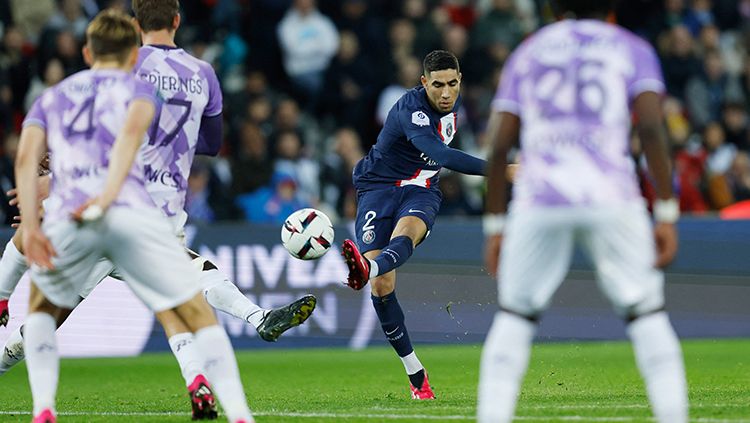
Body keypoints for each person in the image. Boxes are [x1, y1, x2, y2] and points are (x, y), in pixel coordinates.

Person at [0, 1, 317, 418]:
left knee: (49, 314)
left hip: (95, 211)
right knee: (184, 295)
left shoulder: (115, 75)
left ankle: (43, 402)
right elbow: (208, 142)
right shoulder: (201, 73)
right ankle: (235, 378)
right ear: (177, 20)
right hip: (151, 209)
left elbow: (93, 140)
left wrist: (54, 184)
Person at [476, 1, 689, 422]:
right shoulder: (632, 48)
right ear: (611, 8)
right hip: (611, 195)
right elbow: (649, 127)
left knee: (515, 315)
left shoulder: (529, 51)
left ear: (555, 9)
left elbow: (499, 145)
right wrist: (665, 211)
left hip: (540, 199)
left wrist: (496, 225)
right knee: (646, 312)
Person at [341, 50, 486, 400]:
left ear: (460, 80)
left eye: (452, 84)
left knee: (406, 234)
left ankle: (369, 266)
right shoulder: (412, 109)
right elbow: (443, 155)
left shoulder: (454, 107)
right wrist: (498, 170)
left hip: (421, 189)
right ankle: (415, 373)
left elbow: (442, 158)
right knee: (381, 287)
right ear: (424, 82)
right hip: (377, 189)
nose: (446, 93)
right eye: (437, 85)